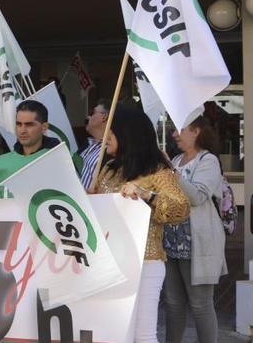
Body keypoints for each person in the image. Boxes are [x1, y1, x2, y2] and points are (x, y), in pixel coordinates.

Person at [92, 106, 190, 343]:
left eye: (110, 133)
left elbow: (181, 209)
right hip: (111, 261)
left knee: (143, 335)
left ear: (126, 134)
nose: (104, 139)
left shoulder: (159, 171)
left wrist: (147, 195)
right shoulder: (107, 169)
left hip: (146, 261)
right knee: (115, 334)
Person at [163, 116, 227, 343]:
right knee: (172, 305)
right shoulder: (177, 159)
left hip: (197, 244)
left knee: (200, 305)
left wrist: (171, 172)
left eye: (179, 129)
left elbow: (198, 195)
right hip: (170, 243)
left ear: (196, 131)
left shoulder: (208, 161)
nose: (174, 135)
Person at [0, 100, 81, 198]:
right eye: (19, 124)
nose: (22, 131)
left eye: (29, 125)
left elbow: (75, 198)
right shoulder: (0, 164)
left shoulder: (61, 160)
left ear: (44, 127)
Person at [79, 100, 109, 191]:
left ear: (104, 116)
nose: (88, 117)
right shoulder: (86, 144)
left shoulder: (109, 151)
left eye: (92, 113)